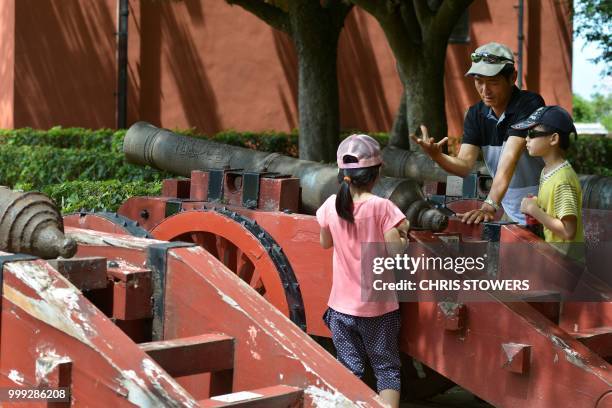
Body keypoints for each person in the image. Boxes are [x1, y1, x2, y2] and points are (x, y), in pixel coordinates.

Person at [316, 134, 408, 408]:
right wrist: (404, 235)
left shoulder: (331, 205)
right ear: (377, 173)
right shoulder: (383, 207)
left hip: (341, 308)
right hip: (378, 310)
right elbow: (395, 251)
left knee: (348, 370)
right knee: (386, 370)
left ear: (343, 174)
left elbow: (325, 243)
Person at [412, 42, 545, 225]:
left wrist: (489, 205)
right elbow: (465, 165)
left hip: (544, 207)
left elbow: (510, 158)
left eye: (493, 82)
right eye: (478, 81)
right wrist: (437, 156)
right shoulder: (476, 114)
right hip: (509, 208)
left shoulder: (529, 104)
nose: (485, 90)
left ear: (512, 77)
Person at [514, 106, 584, 259]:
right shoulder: (547, 171)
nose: (526, 139)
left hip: (566, 265)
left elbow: (568, 231)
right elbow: (555, 210)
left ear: (553, 139)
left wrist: (535, 211)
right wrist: (537, 204)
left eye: (532, 134)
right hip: (553, 257)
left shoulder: (563, 179)